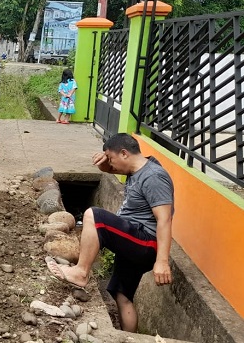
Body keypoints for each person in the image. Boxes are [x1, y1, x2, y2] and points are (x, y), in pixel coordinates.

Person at [45, 133, 174, 332]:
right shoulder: (137, 168)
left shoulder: (154, 176)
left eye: (111, 159)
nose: (110, 165)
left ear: (124, 153)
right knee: (122, 295)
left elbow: (164, 219)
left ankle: (80, 272)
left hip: (146, 243)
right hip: (134, 240)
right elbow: (111, 167)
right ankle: (126, 337)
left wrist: (162, 261)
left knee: (94, 216)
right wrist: (105, 160)